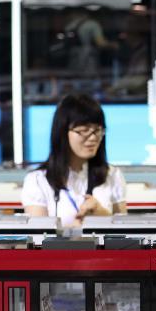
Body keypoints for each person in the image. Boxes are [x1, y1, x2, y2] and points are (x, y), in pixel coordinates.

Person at [22, 93, 127, 227]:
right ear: (62, 133)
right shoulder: (37, 180)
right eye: (84, 130)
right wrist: (73, 232)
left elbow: (124, 235)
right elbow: (37, 240)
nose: (93, 137)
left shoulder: (112, 175)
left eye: (97, 130)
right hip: (60, 248)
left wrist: (102, 215)